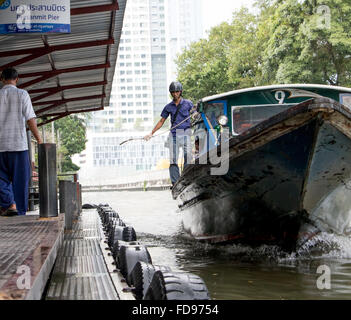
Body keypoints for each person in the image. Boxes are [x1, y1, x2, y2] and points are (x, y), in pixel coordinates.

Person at [0, 67, 43, 216]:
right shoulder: (22, 94)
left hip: (0, 147)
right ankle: (20, 212)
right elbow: (30, 118)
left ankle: (9, 204)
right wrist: (39, 139)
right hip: (18, 146)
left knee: (1, 180)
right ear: (17, 79)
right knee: (21, 182)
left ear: (2, 79)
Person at [144, 81, 195, 186]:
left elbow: (195, 114)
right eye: (173, 92)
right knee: (173, 160)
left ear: (180, 92)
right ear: (171, 93)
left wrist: (195, 115)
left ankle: (186, 178)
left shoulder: (188, 103)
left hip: (185, 133)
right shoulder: (168, 107)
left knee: (188, 156)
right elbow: (161, 121)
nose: (175, 94)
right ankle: (176, 183)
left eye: (177, 92)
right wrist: (151, 133)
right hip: (174, 135)